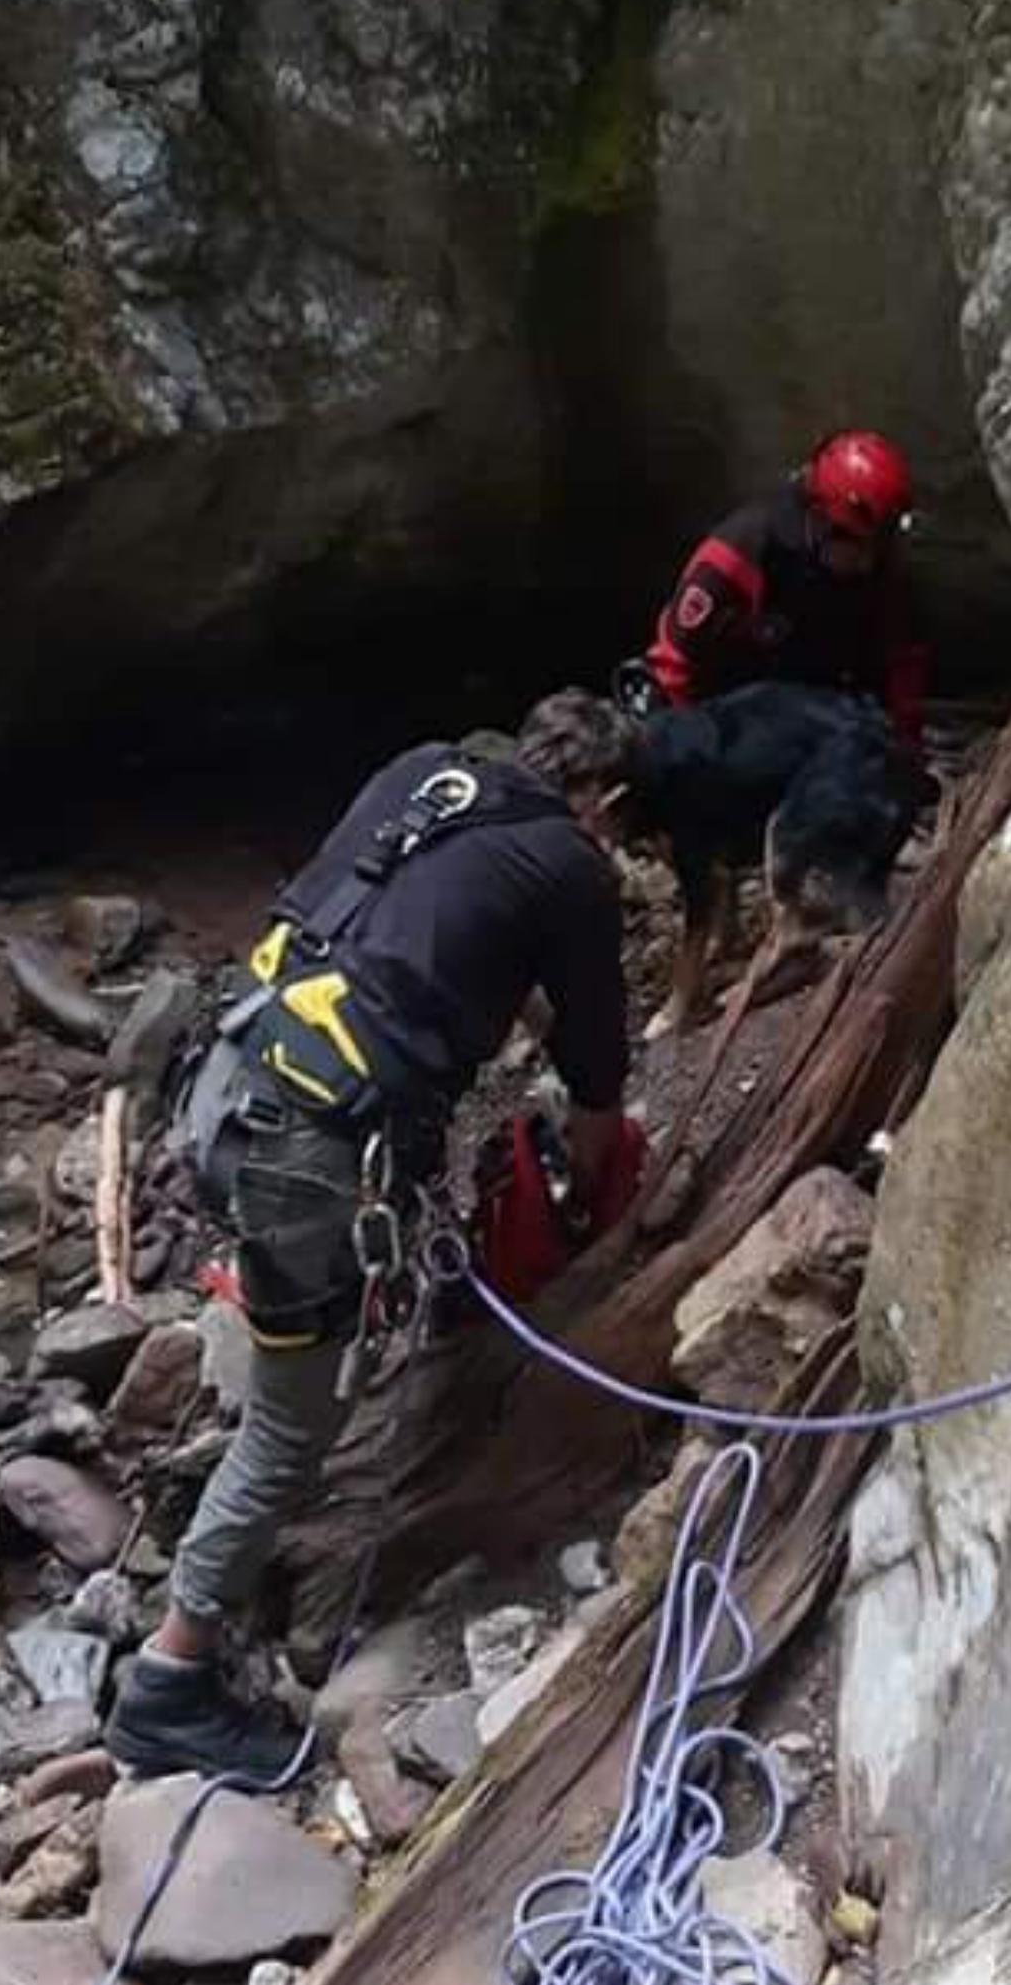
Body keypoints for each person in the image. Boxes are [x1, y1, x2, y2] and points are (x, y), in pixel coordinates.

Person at [103, 693, 644, 1782]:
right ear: (608, 803)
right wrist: (593, 1191)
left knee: (315, 1320)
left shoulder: (426, 773)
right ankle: (171, 1678)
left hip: (232, 1081)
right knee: (290, 1439)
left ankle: (221, 1542)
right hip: (307, 1148)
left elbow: (412, 933)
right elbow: (596, 1073)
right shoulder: (573, 865)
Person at [635, 429, 927, 749]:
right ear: (820, 523)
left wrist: (905, 744)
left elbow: (903, 660)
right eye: (858, 549)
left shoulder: (882, 570)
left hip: (814, 709)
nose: (867, 564)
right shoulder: (743, 553)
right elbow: (673, 664)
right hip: (726, 717)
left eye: (879, 549)